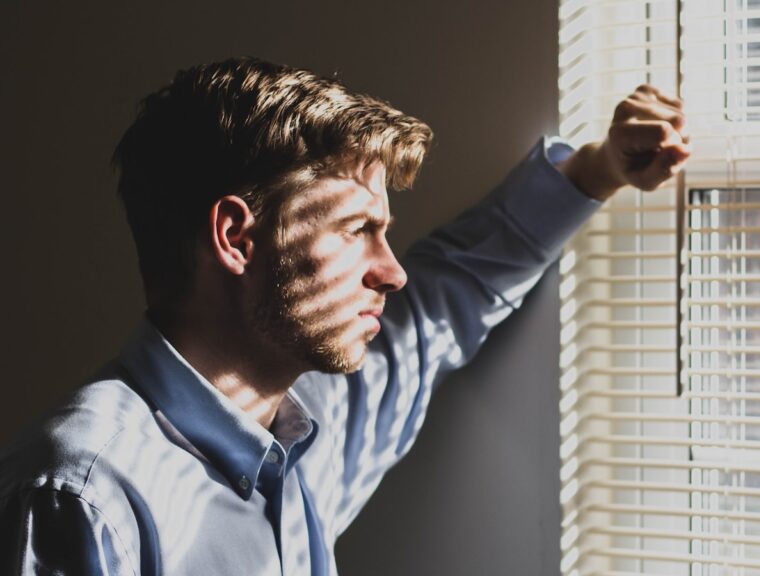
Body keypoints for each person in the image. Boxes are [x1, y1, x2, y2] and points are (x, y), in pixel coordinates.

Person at [0, 57, 687, 575]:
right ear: (237, 238)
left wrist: (598, 171)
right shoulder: (82, 496)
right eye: (358, 230)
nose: (391, 271)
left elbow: (451, 294)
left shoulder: (312, 424)